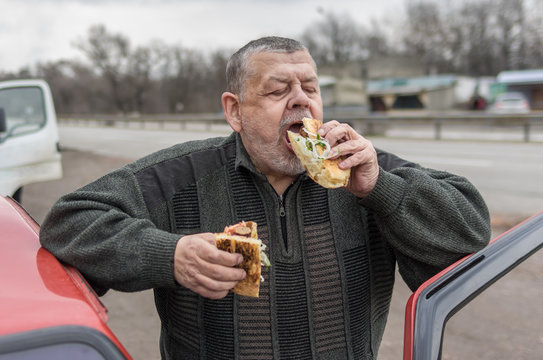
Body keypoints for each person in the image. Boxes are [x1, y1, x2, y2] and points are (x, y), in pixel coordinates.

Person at [40, 36, 491, 360]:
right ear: (234, 110)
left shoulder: (363, 170)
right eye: (278, 90)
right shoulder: (182, 174)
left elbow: (468, 232)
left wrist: (381, 189)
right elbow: (70, 220)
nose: (301, 102)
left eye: (311, 89)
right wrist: (170, 255)